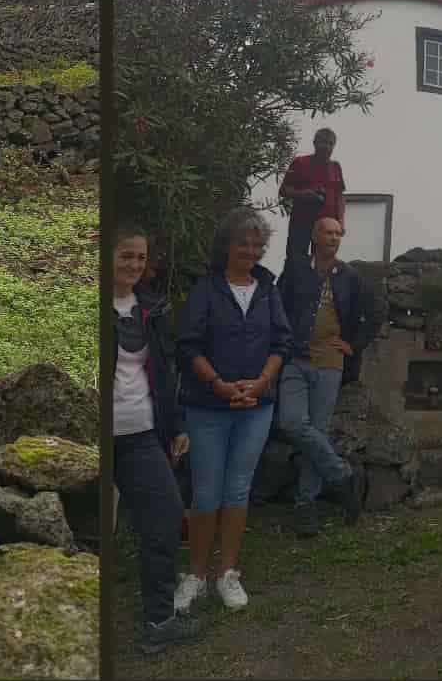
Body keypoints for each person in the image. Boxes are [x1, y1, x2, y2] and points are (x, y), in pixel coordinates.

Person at [174, 208, 296, 613]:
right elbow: (188, 346)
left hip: (255, 407)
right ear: (227, 245)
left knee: (238, 489)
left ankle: (227, 573)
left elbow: (282, 344)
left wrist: (261, 383)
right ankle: (195, 575)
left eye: (256, 244)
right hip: (209, 405)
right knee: (207, 491)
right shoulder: (206, 290)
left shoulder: (268, 290)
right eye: (242, 242)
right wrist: (218, 385)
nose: (250, 250)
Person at [110, 224, 200, 654]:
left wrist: (177, 425)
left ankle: (159, 620)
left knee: (165, 519)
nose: (134, 265)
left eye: (140, 258)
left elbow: (164, 373)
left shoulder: (152, 308)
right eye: (125, 255)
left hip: (141, 436)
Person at [275, 215, 371, 537]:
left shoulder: (350, 277)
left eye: (337, 233)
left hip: (330, 362)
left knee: (317, 430)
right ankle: (343, 476)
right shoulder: (296, 269)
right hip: (294, 360)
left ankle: (305, 505)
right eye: (327, 232)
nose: (333, 237)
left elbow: (374, 313)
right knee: (291, 422)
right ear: (314, 236)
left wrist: (352, 344)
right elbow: (277, 307)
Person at [277, 128, 346, 271]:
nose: (327, 147)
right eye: (323, 143)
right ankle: (290, 290)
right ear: (315, 143)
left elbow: (340, 196)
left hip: (326, 225)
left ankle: (319, 291)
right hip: (302, 221)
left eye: (330, 143)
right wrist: (304, 194)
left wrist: (340, 222)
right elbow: (283, 190)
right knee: (295, 260)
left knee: (323, 261)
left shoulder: (336, 167)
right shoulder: (300, 162)